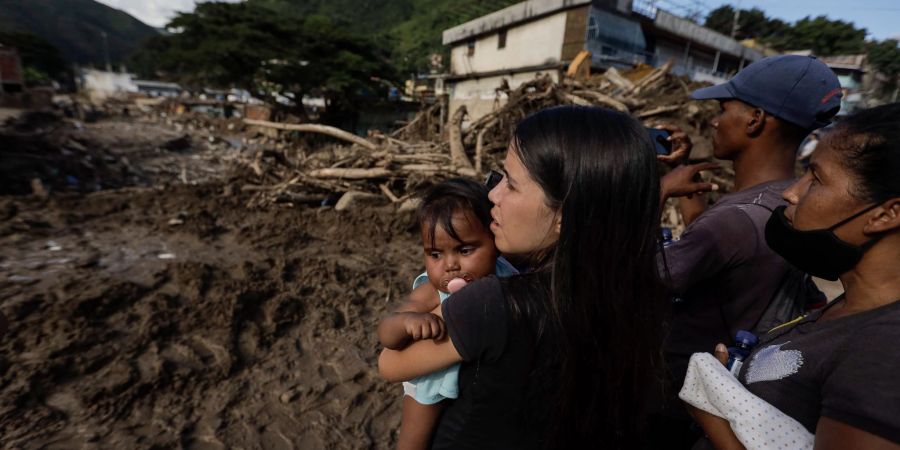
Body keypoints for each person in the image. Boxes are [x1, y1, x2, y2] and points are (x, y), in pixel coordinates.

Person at [378, 106, 668, 449]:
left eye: (511, 184)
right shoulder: (636, 296)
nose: (492, 195)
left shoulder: (493, 304)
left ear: (564, 216)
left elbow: (391, 363)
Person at [651, 55, 840, 446]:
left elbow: (637, 276)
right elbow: (722, 252)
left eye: (724, 110)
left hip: (679, 403)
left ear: (754, 119)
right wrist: (686, 179)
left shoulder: (736, 219)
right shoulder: (784, 201)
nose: (715, 121)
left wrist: (657, 192)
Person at [693, 102, 900, 449]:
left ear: (886, 214)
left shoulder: (886, 348)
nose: (792, 192)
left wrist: (713, 416)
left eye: (815, 179)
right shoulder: (847, 304)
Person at [377, 178, 516, 450]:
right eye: (435, 254)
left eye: (465, 250)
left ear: (494, 240)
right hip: (431, 384)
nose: (450, 265)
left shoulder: (507, 275)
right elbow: (387, 332)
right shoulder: (430, 292)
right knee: (413, 441)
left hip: (473, 386)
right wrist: (408, 322)